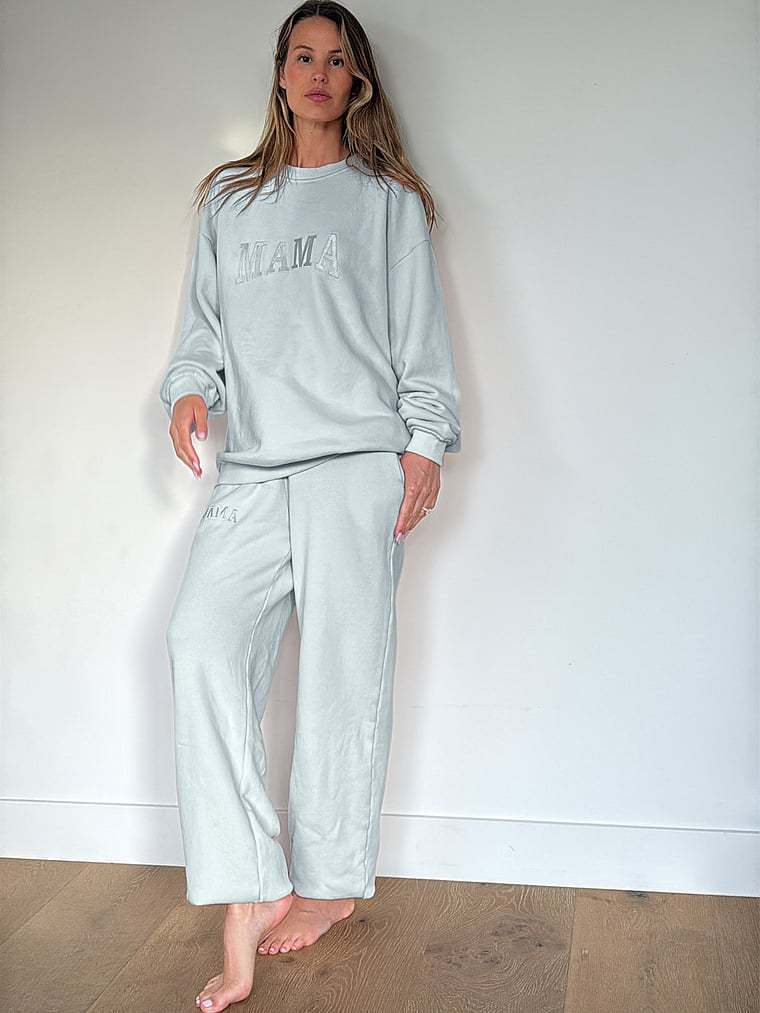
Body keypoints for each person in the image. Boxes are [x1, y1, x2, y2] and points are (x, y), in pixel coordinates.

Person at [159, 2, 462, 1009]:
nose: (319, 72)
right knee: (200, 640)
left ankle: (327, 887)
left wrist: (424, 442)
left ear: (357, 79)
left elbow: (420, 337)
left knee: (341, 679)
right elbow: (201, 328)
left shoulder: (387, 202)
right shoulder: (229, 199)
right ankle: (254, 880)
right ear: (281, 75)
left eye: (337, 59)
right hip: (255, 468)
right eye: (303, 56)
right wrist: (189, 387)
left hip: (358, 466)